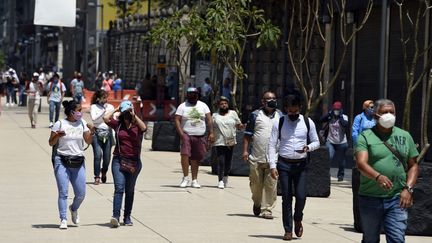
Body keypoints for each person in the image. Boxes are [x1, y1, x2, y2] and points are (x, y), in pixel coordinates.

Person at [355, 99, 419, 243]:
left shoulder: (405, 136)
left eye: (392, 112)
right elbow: (361, 163)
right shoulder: (365, 137)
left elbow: (413, 165)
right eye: (384, 112)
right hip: (370, 198)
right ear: (376, 115)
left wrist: (408, 189)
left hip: (397, 198)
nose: (389, 115)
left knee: (397, 239)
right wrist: (377, 177)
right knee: (370, 239)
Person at [267, 95, 320, 240]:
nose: (293, 114)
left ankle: (298, 218)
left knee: (301, 196)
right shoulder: (280, 122)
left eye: (295, 111)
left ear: (300, 109)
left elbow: (317, 142)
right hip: (283, 164)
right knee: (286, 198)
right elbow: (271, 144)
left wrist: (308, 147)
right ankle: (288, 230)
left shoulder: (308, 122)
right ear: (286, 110)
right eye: (290, 111)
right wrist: (272, 165)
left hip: (300, 165)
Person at [48, 100, 93, 229]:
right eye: (79, 110)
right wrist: (57, 135)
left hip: (78, 161)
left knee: (81, 194)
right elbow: (51, 143)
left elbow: (88, 140)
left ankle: (73, 208)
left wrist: (92, 131)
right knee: (63, 192)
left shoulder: (82, 123)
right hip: (61, 160)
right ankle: (63, 219)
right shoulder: (59, 124)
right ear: (71, 112)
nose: (81, 113)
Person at [103, 100, 147, 227]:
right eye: (125, 112)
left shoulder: (137, 126)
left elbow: (144, 128)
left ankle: (127, 217)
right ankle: (115, 216)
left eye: (128, 112)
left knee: (130, 190)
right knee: (119, 188)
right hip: (119, 159)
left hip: (134, 162)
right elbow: (105, 118)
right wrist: (117, 109)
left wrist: (134, 115)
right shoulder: (118, 125)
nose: (126, 115)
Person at [242, 91, 282, 219]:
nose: (271, 101)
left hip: (273, 159)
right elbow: (248, 135)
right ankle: (257, 202)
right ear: (262, 101)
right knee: (256, 184)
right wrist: (245, 150)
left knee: (271, 185)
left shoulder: (281, 116)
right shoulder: (255, 115)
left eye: (273, 99)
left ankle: (267, 209)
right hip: (256, 156)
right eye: (268, 99)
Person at [175, 87, 214, 188]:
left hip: (199, 135)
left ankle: (194, 180)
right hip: (187, 134)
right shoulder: (182, 106)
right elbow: (177, 120)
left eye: (194, 94)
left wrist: (211, 133)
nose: (192, 96)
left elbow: (209, 120)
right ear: (187, 95)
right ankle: (185, 177)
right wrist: (181, 134)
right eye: (190, 94)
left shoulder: (203, 105)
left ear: (198, 95)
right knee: (185, 154)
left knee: (195, 158)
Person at [212, 96, 243, 189]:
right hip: (219, 141)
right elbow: (212, 127)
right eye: (222, 104)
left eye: (225, 103)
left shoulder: (233, 113)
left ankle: (225, 176)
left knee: (228, 162)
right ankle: (220, 180)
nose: (224, 105)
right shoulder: (215, 116)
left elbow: (238, 125)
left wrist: (242, 126)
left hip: (230, 141)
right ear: (219, 105)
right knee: (221, 161)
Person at [320, 101, 349, 181]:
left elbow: (345, 124)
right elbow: (321, 120)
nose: (336, 111)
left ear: (341, 109)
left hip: (342, 142)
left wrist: (340, 117)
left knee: (341, 160)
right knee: (329, 157)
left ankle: (340, 175)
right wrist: (329, 114)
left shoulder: (344, 116)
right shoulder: (330, 117)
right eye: (335, 109)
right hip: (330, 141)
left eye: (338, 109)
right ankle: (326, 173)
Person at [90, 90, 115, 185]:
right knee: (97, 156)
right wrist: (104, 112)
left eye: (106, 97)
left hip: (107, 133)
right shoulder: (94, 107)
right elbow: (94, 119)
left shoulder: (110, 107)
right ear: (98, 98)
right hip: (97, 133)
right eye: (103, 97)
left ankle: (104, 171)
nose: (105, 99)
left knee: (107, 157)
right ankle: (97, 176)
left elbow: (112, 119)